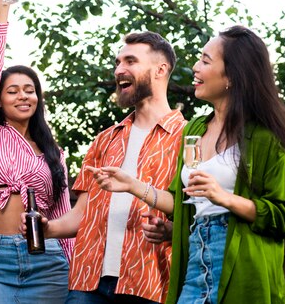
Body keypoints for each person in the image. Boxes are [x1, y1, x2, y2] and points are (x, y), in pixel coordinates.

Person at [91, 26, 285, 303]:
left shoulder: (265, 140)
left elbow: (284, 217)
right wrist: (165, 223)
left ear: (232, 75)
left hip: (241, 267)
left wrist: (225, 198)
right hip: (194, 261)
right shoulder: (195, 129)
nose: (195, 67)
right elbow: (184, 201)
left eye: (205, 60)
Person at [21, 30, 186, 304]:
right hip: (88, 282)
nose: (119, 69)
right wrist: (48, 229)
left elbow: (193, 211)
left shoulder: (187, 139)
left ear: (160, 70)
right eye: (118, 62)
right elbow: (81, 215)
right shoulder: (105, 140)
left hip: (149, 283)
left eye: (130, 61)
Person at [0, 0, 74, 304]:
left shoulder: (51, 151)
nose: (23, 96)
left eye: (29, 90)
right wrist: (4, 3)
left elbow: (62, 211)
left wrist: (75, 270)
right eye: (12, 90)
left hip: (50, 261)